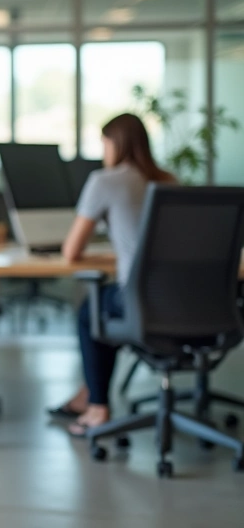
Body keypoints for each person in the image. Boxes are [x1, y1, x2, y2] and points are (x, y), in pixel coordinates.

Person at [48, 113, 177, 436]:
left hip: (140, 298)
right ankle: (87, 393)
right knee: (107, 309)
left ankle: (97, 407)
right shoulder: (168, 181)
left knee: (91, 311)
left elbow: (71, 251)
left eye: (104, 143)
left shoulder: (105, 181)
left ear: (116, 144)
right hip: (186, 299)